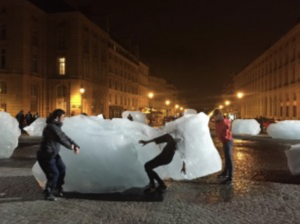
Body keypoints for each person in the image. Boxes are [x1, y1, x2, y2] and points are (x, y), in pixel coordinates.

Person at [37, 109, 80, 201]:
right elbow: (61, 139)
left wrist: (75, 145)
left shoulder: (56, 127)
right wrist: (71, 147)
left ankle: (57, 187)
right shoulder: (51, 128)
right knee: (54, 174)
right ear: (57, 117)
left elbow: (65, 136)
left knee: (62, 169)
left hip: (53, 154)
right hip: (46, 155)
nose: (64, 118)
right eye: (63, 117)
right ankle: (48, 193)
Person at [212, 109, 234, 185]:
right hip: (224, 141)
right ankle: (225, 173)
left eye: (217, 116)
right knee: (226, 157)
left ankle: (230, 178)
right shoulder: (217, 122)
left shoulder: (224, 121)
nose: (215, 117)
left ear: (220, 115)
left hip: (228, 141)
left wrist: (224, 121)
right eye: (215, 116)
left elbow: (228, 125)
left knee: (229, 158)